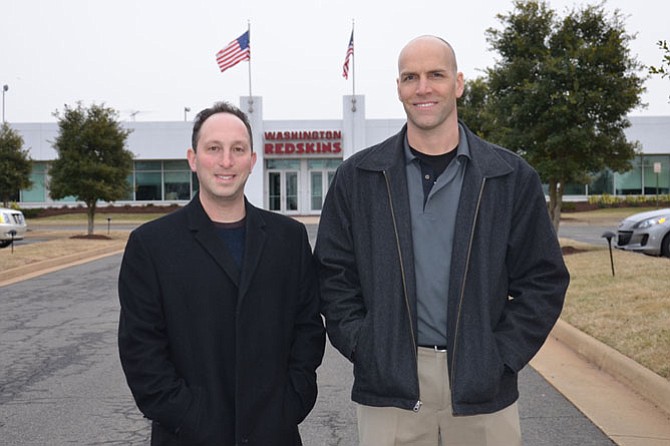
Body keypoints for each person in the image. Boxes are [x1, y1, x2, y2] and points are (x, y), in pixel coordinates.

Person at [314, 35, 570, 446]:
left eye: (436, 74)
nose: (423, 87)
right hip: (390, 391)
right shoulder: (358, 178)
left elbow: (543, 279)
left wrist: (499, 356)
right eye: (410, 77)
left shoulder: (508, 176)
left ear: (459, 83)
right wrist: (368, 347)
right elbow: (333, 276)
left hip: (482, 389)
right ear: (398, 88)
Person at [118, 101, 325, 446]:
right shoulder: (151, 246)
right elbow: (141, 351)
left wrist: (291, 403)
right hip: (187, 435)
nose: (226, 161)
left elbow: (308, 329)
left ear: (252, 160)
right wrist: (190, 417)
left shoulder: (288, 238)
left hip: (274, 434)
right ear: (193, 158)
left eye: (237, 149)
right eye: (214, 148)